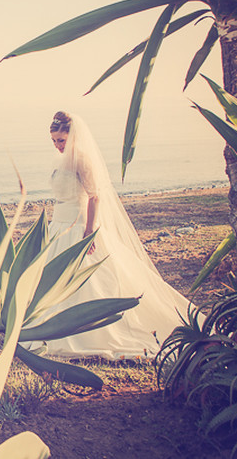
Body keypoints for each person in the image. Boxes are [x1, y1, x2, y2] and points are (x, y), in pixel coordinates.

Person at [42, 111, 193, 360]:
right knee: (55, 278)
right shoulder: (59, 161)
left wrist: (88, 231)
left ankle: (89, 332)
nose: (58, 146)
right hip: (59, 225)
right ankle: (54, 327)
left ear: (73, 137)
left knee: (90, 280)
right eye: (55, 141)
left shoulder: (82, 160)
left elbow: (94, 196)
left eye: (62, 140)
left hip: (78, 225)